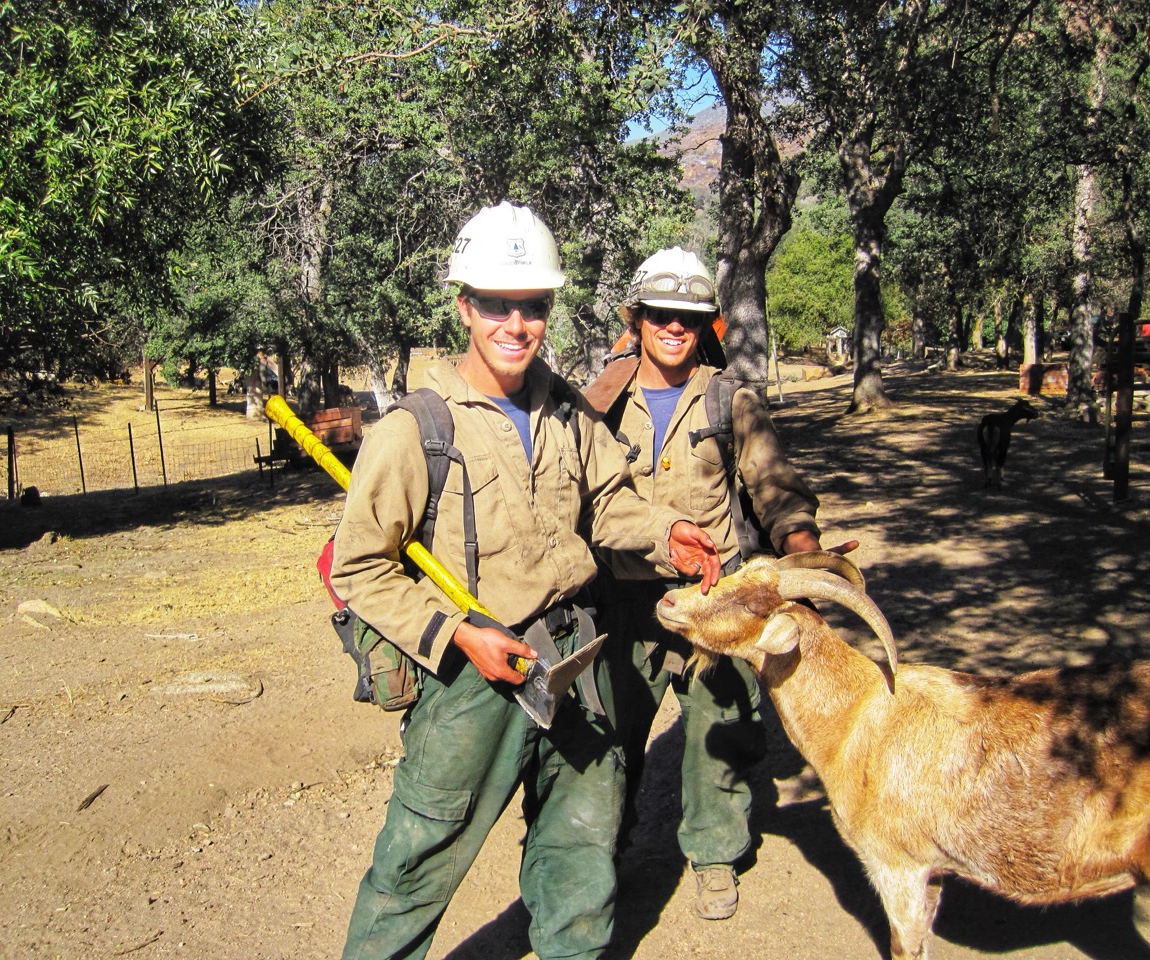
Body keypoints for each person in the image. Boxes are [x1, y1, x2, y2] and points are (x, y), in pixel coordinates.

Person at [329, 204, 721, 960]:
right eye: (498, 304)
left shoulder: (568, 410)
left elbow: (609, 502)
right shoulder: (417, 429)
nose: (517, 322)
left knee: (580, 850)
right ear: (464, 307)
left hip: (578, 658)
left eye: (533, 306)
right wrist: (456, 633)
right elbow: (359, 566)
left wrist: (664, 533)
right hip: (473, 675)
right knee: (418, 859)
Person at [593, 247, 851, 922]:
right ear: (635, 317)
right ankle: (600, 853)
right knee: (611, 729)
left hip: (720, 596)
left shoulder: (727, 397)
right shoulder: (598, 398)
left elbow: (774, 485)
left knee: (721, 724)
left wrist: (804, 553)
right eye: (660, 315)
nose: (673, 328)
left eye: (688, 317)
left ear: (708, 323)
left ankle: (714, 854)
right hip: (624, 595)